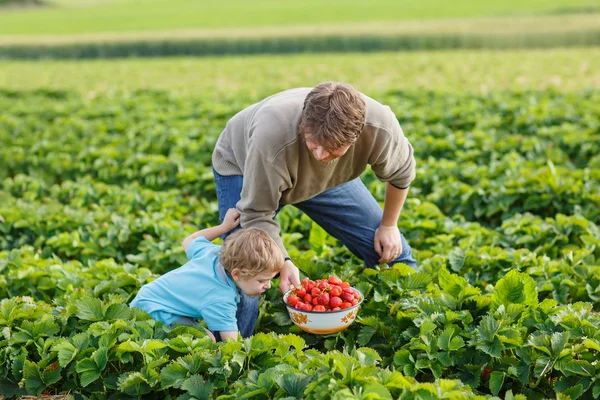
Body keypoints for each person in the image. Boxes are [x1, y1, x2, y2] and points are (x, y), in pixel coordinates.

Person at [211, 81, 417, 334]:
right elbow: (257, 213)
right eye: (313, 144)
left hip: (328, 181)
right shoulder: (272, 137)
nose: (320, 156)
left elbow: (401, 175)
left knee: (393, 251)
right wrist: (282, 260)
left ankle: (409, 327)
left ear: (355, 137)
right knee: (245, 269)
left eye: (332, 151)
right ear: (304, 124)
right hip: (245, 166)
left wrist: (389, 225)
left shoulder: (380, 127)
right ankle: (233, 353)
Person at [130, 209, 284, 341]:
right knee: (207, 340)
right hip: (154, 310)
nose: (268, 285)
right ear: (237, 274)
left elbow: (189, 240)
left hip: (149, 295)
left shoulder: (213, 253)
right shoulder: (220, 298)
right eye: (262, 280)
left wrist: (224, 227)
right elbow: (232, 342)